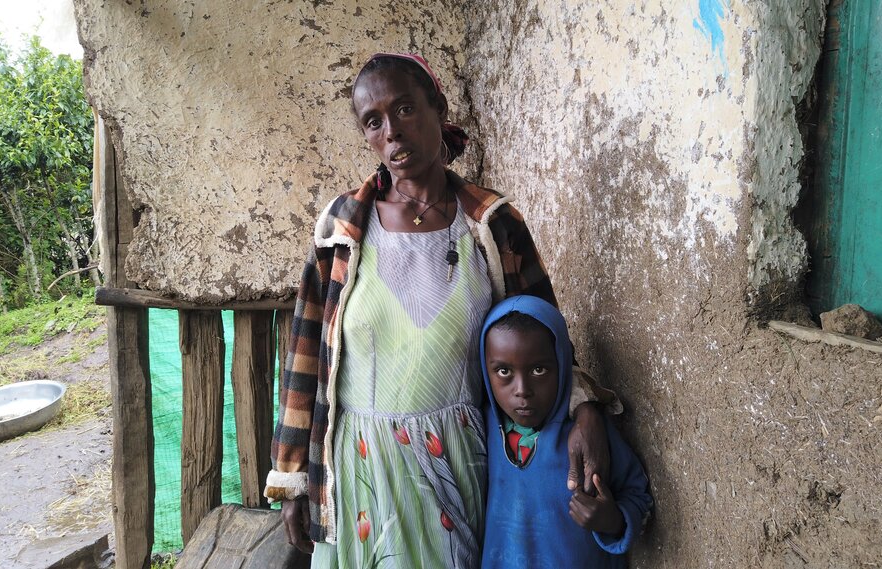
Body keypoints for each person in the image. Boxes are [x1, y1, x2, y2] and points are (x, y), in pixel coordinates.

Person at [264, 53, 618, 568]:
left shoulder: (493, 227)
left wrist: (584, 406)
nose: (392, 132)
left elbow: (546, 334)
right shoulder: (342, 228)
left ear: (438, 107)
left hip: (458, 464)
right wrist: (293, 476)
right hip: (362, 464)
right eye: (373, 121)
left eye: (405, 109)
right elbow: (304, 356)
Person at [479, 295, 653, 568]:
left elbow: (638, 495)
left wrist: (614, 520)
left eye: (539, 369)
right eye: (503, 371)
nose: (522, 389)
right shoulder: (484, 425)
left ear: (562, 365)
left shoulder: (587, 433)